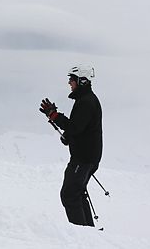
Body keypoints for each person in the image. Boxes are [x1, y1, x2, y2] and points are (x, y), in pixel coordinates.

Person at [40, 65, 102, 227]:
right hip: (87, 156)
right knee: (77, 193)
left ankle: (81, 236)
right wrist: (69, 136)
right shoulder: (85, 100)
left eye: (72, 80)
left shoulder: (86, 102)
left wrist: (54, 116)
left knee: (69, 195)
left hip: (83, 158)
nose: (69, 83)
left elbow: (75, 127)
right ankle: (89, 235)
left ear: (81, 81)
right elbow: (80, 128)